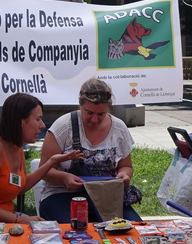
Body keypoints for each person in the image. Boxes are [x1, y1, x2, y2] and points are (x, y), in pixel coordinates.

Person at [0, 93, 81, 224]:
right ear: (21, 121)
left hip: (3, 219)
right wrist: (20, 220)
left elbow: (21, 187)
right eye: (38, 119)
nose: (43, 125)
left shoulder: (16, 147)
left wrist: (51, 162)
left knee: (46, 231)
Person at [38, 78, 142, 223]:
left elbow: (126, 166)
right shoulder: (64, 127)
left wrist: (124, 175)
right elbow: (44, 171)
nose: (94, 119)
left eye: (101, 114)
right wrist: (64, 178)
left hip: (106, 196)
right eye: (89, 112)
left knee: (133, 228)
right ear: (80, 106)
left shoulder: (119, 128)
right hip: (62, 195)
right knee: (76, 229)